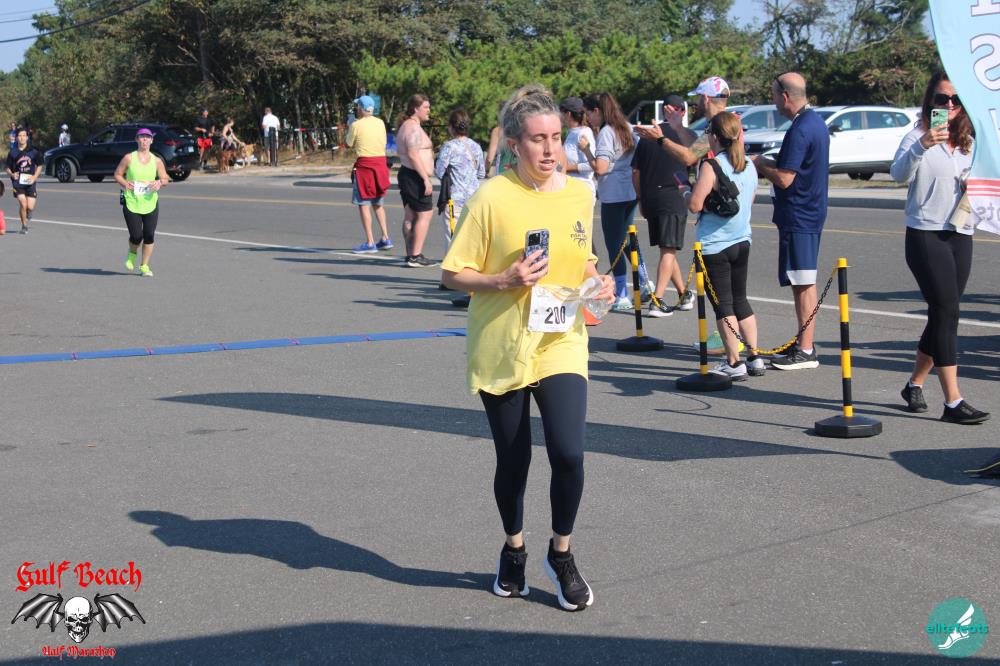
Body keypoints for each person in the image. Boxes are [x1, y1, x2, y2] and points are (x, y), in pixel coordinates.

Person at [441, 84, 614, 612]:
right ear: (514, 144)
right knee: (514, 459)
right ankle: (513, 547)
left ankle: (561, 554)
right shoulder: (491, 197)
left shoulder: (580, 194)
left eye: (556, 137)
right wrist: (504, 279)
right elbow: (452, 274)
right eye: (538, 139)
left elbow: (583, 258)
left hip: (561, 340)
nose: (549, 149)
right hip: (503, 344)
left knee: (569, 453)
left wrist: (598, 282)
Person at [890, 71, 989, 425]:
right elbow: (898, 174)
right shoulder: (916, 135)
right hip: (925, 234)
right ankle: (953, 401)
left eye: (955, 100)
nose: (948, 106)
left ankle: (914, 384)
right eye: (941, 99)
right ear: (930, 100)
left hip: (960, 231)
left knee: (943, 314)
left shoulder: (969, 142)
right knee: (947, 311)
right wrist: (923, 145)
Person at [753, 72, 829, 371]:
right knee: (800, 280)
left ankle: (806, 349)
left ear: (785, 96)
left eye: (773, 95)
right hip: (805, 212)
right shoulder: (813, 122)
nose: (773, 101)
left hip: (801, 214)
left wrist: (761, 164)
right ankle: (803, 342)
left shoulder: (801, 128)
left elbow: (785, 178)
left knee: (803, 281)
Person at [686, 111, 763, 379]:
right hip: (742, 239)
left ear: (715, 137)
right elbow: (749, 200)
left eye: (708, 133)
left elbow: (695, 204)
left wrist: (687, 192)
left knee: (723, 304)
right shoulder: (749, 164)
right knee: (740, 299)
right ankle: (754, 356)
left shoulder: (712, 165)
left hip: (714, 244)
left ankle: (733, 362)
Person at [579, 92, 652, 311]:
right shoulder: (626, 127)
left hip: (613, 193)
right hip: (629, 190)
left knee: (614, 244)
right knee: (627, 240)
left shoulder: (606, 132)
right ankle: (645, 280)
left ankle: (621, 293)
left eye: (588, 113)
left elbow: (600, 168)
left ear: (597, 111)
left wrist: (586, 150)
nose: (588, 119)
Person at [631, 93, 697, 317]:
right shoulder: (686, 136)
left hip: (651, 196)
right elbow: (695, 159)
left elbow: (635, 172)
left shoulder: (647, 136)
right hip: (673, 195)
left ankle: (683, 294)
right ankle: (657, 300)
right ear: (682, 111)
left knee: (667, 248)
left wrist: (641, 198)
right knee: (668, 249)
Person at [635, 76, 730, 168]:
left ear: (706, 98)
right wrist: (679, 127)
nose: (696, 102)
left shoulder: (718, 125)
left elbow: (689, 158)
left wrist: (660, 139)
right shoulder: (725, 122)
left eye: (698, 97)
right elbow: (695, 149)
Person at [113, 128, 169, 277]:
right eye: (142, 137)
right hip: (132, 202)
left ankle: (144, 266)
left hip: (150, 202)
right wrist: (125, 183)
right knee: (136, 236)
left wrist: (159, 183)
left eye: (147, 137)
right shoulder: (129, 158)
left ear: (151, 140)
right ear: (136, 139)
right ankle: (132, 254)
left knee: (149, 235)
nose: (144, 140)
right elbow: (117, 174)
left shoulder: (157, 160)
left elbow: (165, 179)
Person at [434, 107, 485, 253]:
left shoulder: (449, 147)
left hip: (454, 201)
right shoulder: (476, 147)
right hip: (473, 201)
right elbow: (481, 173)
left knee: (453, 241)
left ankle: (452, 267)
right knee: (470, 241)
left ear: (451, 127)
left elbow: (439, 172)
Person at [345, 95, 392, 254]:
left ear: (360, 108)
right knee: (378, 203)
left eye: (357, 106)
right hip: (380, 165)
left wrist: (350, 125)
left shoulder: (356, 125)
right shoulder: (380, 123)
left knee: (364, 204)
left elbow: (348, 143)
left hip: (365, 166)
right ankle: (385, 237)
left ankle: (370, 242)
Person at [396, 94, 437, 267]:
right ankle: (415, 256)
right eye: (426, 107)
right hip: (415, 176)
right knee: (425, 214)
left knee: (410, 215)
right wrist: (425, 179)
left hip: (408, 174)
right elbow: (413, 154)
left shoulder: (407, 125)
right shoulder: (412, 128)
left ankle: (410, 254)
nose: (429, 110)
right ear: (416, 109)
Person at [5, 127, 43, 234]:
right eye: (20, 136)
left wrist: (34, 177)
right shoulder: (13, 152)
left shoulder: (33, 151)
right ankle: (24, 225)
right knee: (23, 203)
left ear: (27, 137)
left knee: (30, 206)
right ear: (17, 138)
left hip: (30, 182)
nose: (22, 138)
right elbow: (7, 167)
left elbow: (40, 165)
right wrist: (12, 174)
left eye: (24, 136)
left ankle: (29, 212)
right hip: (18, 182)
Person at [559, 97, 595, 195]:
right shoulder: (570, 132)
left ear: (568, 114)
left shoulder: (584, 133)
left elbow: (591, 166)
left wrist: (565, 168)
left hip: (583, 191)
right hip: (570, 190)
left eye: (560, 113)